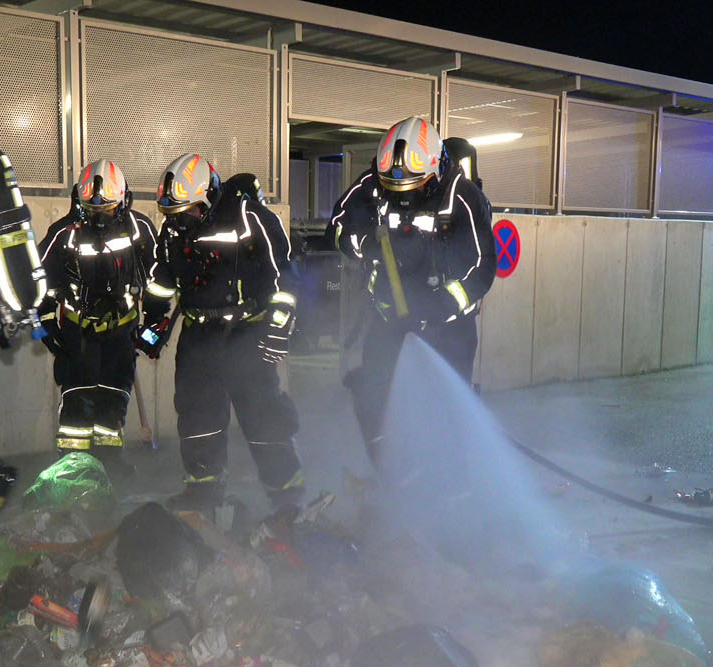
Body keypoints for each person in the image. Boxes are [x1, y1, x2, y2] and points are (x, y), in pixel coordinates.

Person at [140, 153, 304, 510]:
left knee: (262, 415)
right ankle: (203, 491)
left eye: (187, 212)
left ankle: (287, 493)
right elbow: (161, 282)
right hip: (199, 336)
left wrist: (278, 328)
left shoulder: (250, 219)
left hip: (248, 334)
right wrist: (152, 321)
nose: (180, 221)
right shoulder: (173, 230)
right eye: (173, 214)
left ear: (209, 198)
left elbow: (285, 279)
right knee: (197, 416)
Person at [328, 116, 496, 461]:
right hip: (389, 319)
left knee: (445, 411)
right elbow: (337, 226)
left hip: (448, 329)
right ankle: (389, 474)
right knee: (371, 396)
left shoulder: (463, 197)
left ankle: (451, 488)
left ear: (435, 171)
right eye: (394, 188)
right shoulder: (374, 183)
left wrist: (439, 306)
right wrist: (364, 244)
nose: (403, 197)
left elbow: (482, 269)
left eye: (414, 188)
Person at [36, 160, 158, 470]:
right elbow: (37, 282)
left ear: (122, 199)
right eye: (93, 208)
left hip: (122, 332)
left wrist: (154, 328)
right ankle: (73, 469)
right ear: (80, 199)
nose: (100, 214)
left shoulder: (139, 228)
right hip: (78, 334)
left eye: (107, 207)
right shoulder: (63, 232)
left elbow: (160, 278)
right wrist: (47, 328)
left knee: (113, 403)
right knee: (77, 404)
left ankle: (109, 466)